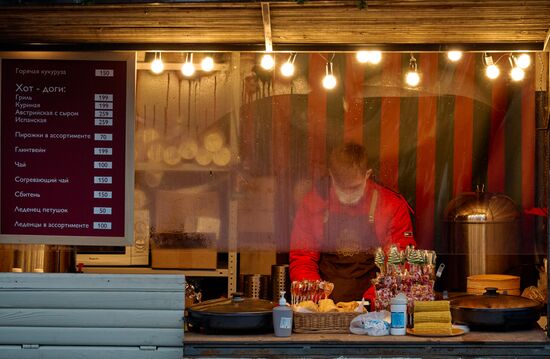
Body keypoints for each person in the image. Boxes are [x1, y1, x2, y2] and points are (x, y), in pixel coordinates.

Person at [289, 142, 416, 304]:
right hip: (324, 307)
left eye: (355, 188)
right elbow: (302, 260)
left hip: (373, 307)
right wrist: (320, 302)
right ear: (331, 176)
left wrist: (368, 303)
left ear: (367, 174)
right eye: (342, 187)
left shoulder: (390, 205)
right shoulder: (313, 203)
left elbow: (398, 264)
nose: (348, 195)